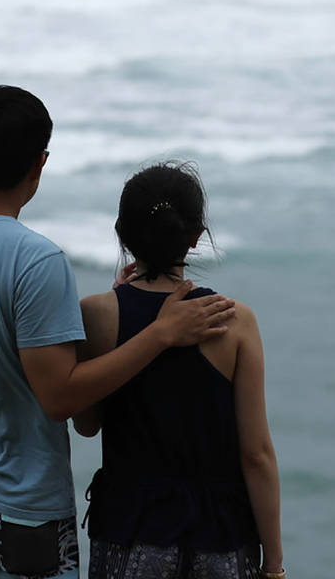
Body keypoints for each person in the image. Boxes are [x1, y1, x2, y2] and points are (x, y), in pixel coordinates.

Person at [0, 87, 236, 579]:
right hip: (22, 512)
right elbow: (60, 397)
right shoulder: (37, 261)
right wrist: (160, 333)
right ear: (39, 166)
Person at [73, 162, 285, 579]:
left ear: (122, 234)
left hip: (128, 528)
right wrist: (274, 563)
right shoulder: (234, 320)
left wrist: (122, 304)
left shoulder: (96, 315)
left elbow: (86, 424)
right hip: (220, 534)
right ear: (195, 238)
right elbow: (256, 454)